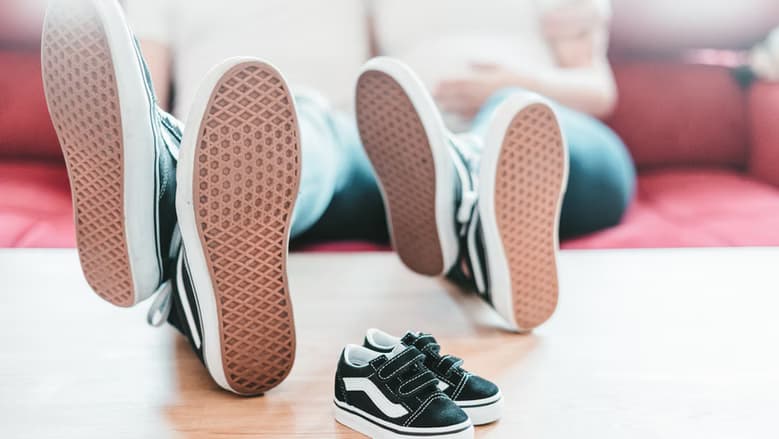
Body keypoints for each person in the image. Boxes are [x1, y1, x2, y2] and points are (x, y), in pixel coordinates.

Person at [42, 0, 634, 396]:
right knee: (309, 125)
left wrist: (512, 84)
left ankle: (172, 227)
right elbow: (137, 93)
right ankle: (176, 185)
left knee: (514, 122)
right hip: (369, 155)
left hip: (488, 138)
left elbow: (595, 85)